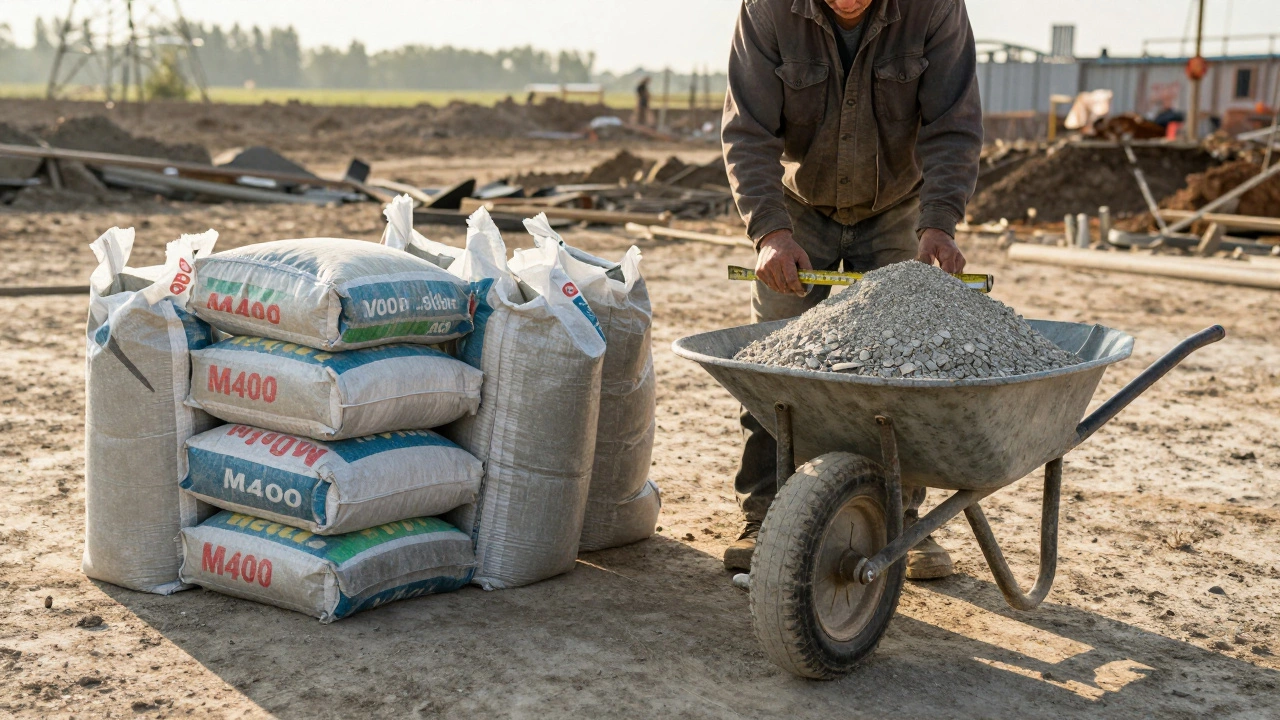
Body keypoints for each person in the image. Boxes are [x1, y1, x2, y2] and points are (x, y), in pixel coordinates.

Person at [720, 0, 983, 578]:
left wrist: (939, 223)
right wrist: (769, 233)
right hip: (797, 208)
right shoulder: (767, 9)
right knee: (774, 364)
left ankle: (901, 524)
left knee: (901, 369)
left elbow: (953, 127)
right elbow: (748, 132)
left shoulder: (934, 9)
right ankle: (765, 515)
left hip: (897, 207)